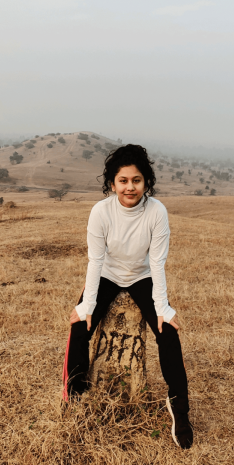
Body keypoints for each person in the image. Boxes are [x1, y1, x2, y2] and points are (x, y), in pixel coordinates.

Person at [63, 143, 193, 449]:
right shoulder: (101, 211)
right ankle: (76, 395)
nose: (129, 187)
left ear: (146, 182)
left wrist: (162, 307)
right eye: (123, 181)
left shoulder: (157, 212)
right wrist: (88, 304)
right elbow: (95, 260)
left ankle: (180, 410)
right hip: (107, 274)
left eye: (136, 180)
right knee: (80, 326)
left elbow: (157, 262)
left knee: (168, 332)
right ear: (112, 183)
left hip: (142, 277)